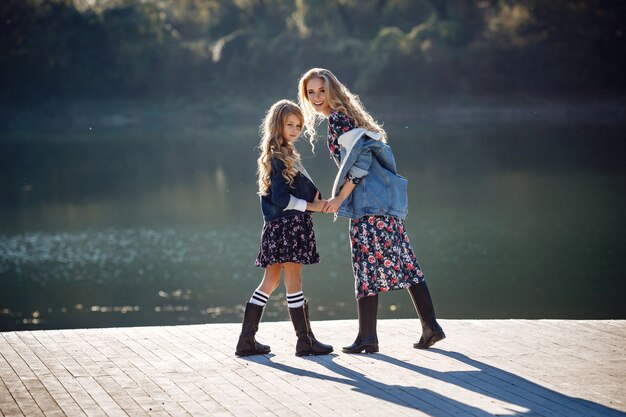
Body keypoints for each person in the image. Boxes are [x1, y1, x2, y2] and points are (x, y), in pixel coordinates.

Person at [297, 68, 445, 353]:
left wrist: (339, 199)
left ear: (332, 91)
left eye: (321, 91)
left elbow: (361, 161)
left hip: (368, 205)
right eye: (310, 92)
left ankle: (369, 337)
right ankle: (429, 326)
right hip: (381, 203)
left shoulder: (339, 119)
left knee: (366, 265)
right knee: (404, 261)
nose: (316, 97)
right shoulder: (346, 116)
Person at [235, 99, 333, 357]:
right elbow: (280, 199)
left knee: (271, 280)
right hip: (287, 227)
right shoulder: (278, 157)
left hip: (278, 228)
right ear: (277, 124)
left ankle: (247, 340)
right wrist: (311, 207)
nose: (294, 130)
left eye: (298, 126)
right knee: (293, 281)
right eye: (289, 124)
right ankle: (305, 341)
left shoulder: (281, 154)